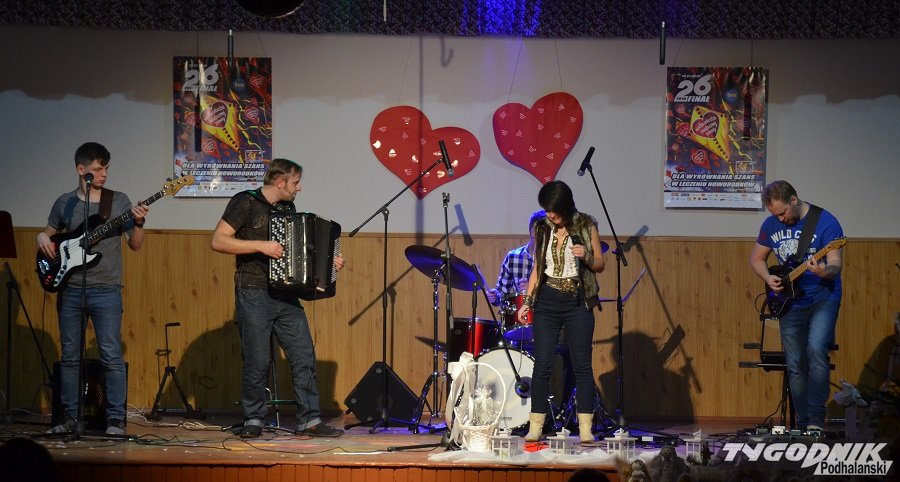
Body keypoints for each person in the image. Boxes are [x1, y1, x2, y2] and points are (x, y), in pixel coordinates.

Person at [211, 158, 345, 438]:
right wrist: (261, 246)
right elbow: (219, 240)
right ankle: (253, 419)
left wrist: (328, 263)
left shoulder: (288, 209)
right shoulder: (246, 202)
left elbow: (298, 255)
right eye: (296, 182)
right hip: (253, 290)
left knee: (303, 355)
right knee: (257, 359)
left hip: (286, 294)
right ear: (280, 182)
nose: (299, 188)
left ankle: (309, 420)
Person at [38, 142, 149, 436]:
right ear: (81, 170)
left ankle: (115, 420)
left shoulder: (119, 201)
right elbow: (49, 233)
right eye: (98, 169)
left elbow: (135, 245)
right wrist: (41, 237)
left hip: (107, 290)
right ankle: (69, 418)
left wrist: (139, 222)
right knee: (70, 357)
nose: (104, 174)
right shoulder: (65, 203)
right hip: (70, 289)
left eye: (106, 168)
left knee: (111, 355)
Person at [749, 180, 843, 431]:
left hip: (823, 297)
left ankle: (816, 420)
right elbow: (757, 258)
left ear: (793, 200)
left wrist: (823, 271)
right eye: (775, 215)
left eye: (782, 213)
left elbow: (835, 263)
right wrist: (768, 277)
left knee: (816, 349)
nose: (780, 219)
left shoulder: (826, 222)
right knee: (795, 362)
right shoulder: (771, 225)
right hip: (790, 301)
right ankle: (803, 423)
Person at [517, 180, 606, 443]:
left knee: (582, 365)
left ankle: (586, 428)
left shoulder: (586, 224)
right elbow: (537, 268)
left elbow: (600, 264)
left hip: (577, 300)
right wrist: (527, 301)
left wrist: (586, 256)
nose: (550, 215)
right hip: (547, 300)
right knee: (542, 365)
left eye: (553, 210)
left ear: (565, 206)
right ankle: (536, 426)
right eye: (546, 210)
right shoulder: (542, 227)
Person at [486, 209, 544, 307]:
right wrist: (495, 296)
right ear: (533, 232)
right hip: (519, 313)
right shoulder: (513, 257)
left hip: (544, 312)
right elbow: (503, 292)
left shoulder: (551, 259)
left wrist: (532, 288)